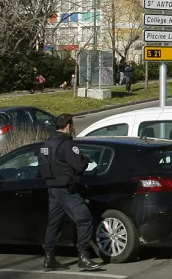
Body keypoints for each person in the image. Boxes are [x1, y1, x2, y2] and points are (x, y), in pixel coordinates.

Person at [39, 114, 102, 272]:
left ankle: (49, 258)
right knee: (85, 219)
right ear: (68, 125)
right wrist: (85, 159)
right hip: (66, 189)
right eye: (72, 125)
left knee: (54, 223)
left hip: (52, 188)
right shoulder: (66, 144)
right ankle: (83, 256)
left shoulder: (48, 142)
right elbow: (78, 166)